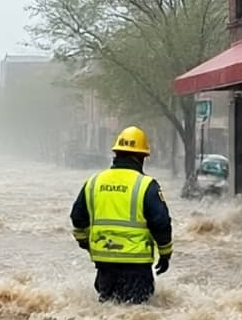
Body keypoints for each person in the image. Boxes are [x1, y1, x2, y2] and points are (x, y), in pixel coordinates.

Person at [69, 126, 173, 305]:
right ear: (141, 157)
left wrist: (86, 243)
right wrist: (165, 254)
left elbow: (77, 217)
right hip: (136, 265)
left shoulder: (94, 182)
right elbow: (161, 223)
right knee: (136, 314)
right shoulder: (146, 185)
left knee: (107, 311)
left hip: (104, 263)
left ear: (116, 154)